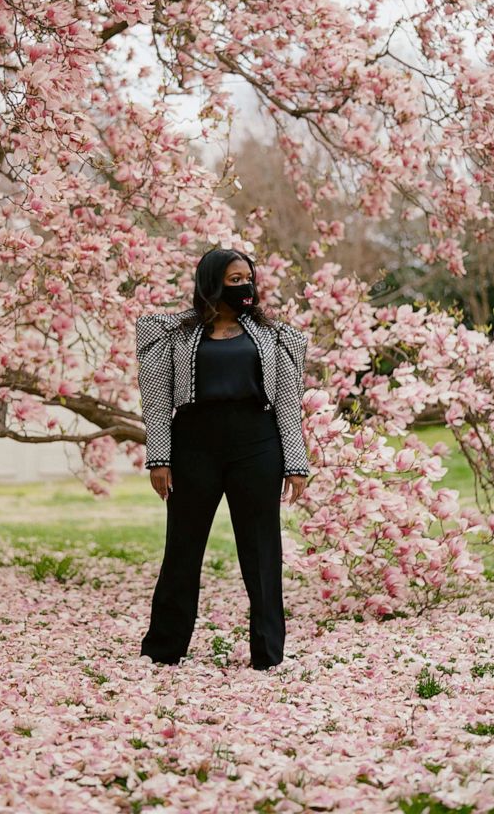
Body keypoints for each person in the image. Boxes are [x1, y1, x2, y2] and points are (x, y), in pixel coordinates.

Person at [136, 247, 310, 670]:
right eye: (234, 280)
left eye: (248, 278)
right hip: (193, 447)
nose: (244, 287)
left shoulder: (276, 337)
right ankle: (164, 648)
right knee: (182, 547)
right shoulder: (170, 336)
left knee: (262, 550)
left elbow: (288, 403)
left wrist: (296, 462)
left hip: (257, 446)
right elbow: (157, 404)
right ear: (212, 282)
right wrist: (159, 458)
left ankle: (268, 654)